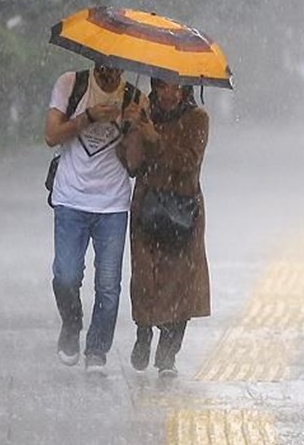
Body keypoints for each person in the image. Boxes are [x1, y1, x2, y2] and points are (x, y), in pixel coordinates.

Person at [44, 64, 141, 372]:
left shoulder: (134, 97)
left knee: (109, 283)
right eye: (104, 64)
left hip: (112, 204)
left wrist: (132, 127)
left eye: (116, 66)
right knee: (66, 276)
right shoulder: (71, 83)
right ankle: (72, 324)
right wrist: (88, 117)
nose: (110, 72)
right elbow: (51, 135)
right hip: (71, 199)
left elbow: (135, 164)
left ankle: (98, 350)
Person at [119, 78, 210, 377]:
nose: (169, 93)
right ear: (155, 87)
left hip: (183, 208)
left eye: (176, 87)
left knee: (181, 283)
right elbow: (131, 165)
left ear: (186, 90)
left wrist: (154, 136)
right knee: (145, 275)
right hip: (147, 206)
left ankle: (168, 354)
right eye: (163, 86)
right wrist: (131, 129)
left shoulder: (198, 118)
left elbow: (187, 161)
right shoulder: (144, 111)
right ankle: (143, 332)